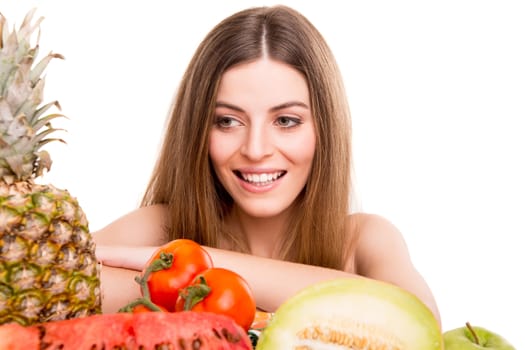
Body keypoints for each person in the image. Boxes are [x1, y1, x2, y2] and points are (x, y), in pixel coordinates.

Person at [94, 4, 441, 325]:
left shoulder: (364, 240)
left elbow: (419, 322)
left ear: (325, 128)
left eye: (287, 121)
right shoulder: (160, 229)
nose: (256, 150)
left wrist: (199, 263)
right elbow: (51, 286)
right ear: (198, 130)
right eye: (228, 121)